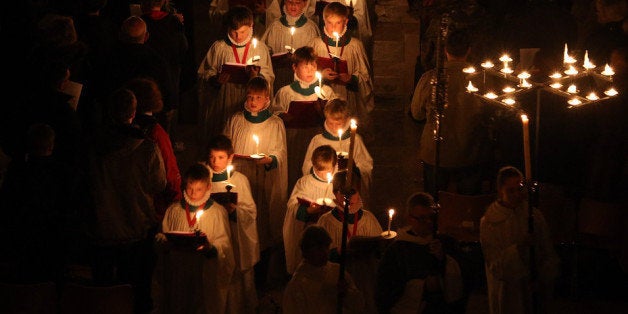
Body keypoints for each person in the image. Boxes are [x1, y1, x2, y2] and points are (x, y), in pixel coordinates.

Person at [87, 88, 166, 314]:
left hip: (101, 230)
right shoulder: (147, 149)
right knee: (137, 292)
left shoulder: (93, 147)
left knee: (103, 293)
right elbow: (158, 185)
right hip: (136, 229)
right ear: (134, 113)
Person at [409, 29, 490, 197]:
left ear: (445, 50)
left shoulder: (430, 78)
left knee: (434, 202)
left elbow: (416, 113)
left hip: (435, 152)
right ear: (469, 50)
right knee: (467, 207)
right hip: (470, 153)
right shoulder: (482, 80)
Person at [223, 76, 287, 284]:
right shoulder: (236, 120)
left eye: (257, 97)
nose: (252, 101)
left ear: (267, 98)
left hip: (262, 182)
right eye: (250, 97)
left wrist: (270, 160)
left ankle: (260, 277)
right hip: (240, 179)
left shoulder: (275, 123)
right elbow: (225, 146)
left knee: (261, 225)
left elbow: (280, 152)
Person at [480, 166, 560, 314]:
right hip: (507, 291)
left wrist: (543, 276)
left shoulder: (534, 215)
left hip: (534, 286)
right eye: (511, 190)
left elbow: (547, 250)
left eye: (520, 189)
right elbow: (494, 263)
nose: (517, 194)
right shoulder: (490, 222)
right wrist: (521, 247)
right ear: (500, 191)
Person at [158, 163, 235, 314]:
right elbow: (163, 233)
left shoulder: (217, 212)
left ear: (208, 187)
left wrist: (211, 249)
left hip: (205, 272)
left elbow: (224, 244)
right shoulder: (174, 210)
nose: (193, 194)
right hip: (179, 271)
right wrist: (162, 241)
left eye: (199, 189)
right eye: (190, 188)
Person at [376, 192, 468, 314]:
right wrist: (422, 287)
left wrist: (443, 259)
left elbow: (465, 278)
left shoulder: (446, 243)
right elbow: (386, 289)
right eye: (422, 218)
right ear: (410, 218)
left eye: (431, 217)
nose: (429, 222)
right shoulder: (397, 250)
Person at [198, 5, 275, 139]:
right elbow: (205, 72)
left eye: (243, 32)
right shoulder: (220, 47)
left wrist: (257, 77)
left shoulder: (260, 48)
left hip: (249, 98)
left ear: (251, 26)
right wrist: (215, 80)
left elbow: (269, 75)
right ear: (228, 28)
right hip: (224, 98)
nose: (238, 36)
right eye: (234, 32)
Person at [204, 134, 260, 314]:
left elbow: (250, 211)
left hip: (236, 236)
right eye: (212, 157)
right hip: (213, 234)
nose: (215, 161)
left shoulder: (239, 180)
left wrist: (235, 211)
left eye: (220, 157)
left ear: (230, 157)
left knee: (238, 281)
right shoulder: (203, 177)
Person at [316, 169, 382, 314]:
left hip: (365, 278)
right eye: (344, 193)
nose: (349, 198)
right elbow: (317, 256)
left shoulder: (369, 219)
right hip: (338, 280)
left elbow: (380, 252)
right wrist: (336, 253)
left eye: (353, 192)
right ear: (334, 193)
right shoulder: (326, 221)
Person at [271, 46, 336, 190]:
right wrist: (282, 116)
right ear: (294, 67)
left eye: (313, 65)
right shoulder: (285, 92)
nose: (310, 70)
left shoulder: (326, 91)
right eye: (305, 66)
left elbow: (336, 117)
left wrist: (322, 112)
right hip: (293, 139)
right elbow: (274, 113)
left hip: (316, 136)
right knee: (294, 172)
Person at [308, 2, 374, 127]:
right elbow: (305, 74)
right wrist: (321, 75)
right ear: (323, 21)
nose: (333, 27)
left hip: (348, 97)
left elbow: (365, 77)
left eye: (338, 23)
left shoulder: (355, 46)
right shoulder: (315, 44)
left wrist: (352, 78)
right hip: (322, 99)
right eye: (329, 23)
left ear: (346, 22)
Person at [125, 77, 182, 220]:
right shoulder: (156, 133)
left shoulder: (123, 128)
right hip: (152, 207)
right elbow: (169, 171)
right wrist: (176, 201)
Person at [302, 98, 372, 207]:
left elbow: (366, 166)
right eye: (330, 123)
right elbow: (307, 166)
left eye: (338, 124)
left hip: (343, 190)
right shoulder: (318, 140)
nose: (334, 127)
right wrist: (321, 169)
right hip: (322, 188)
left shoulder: (355, 140)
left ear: (346, 120)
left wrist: (352, 170)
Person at [282, 225, 365, 314]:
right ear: (306, 250)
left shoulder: (336, 271)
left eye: (326, 246)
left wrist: (347, 293)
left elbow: (358, 306)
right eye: (319, 248)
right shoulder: (297, 286)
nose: (325, 252)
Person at [284, 144, 337, 275]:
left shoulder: (340, 182)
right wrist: (307, 211)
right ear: (313, 165)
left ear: (335, 166)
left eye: (328, 171)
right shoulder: (304, 182)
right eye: (320, 171)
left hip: (331, 230)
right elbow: (292, 206)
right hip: (308, 229)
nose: (325, 175)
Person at [141, 0, 189, 138]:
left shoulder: (141, 22)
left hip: (147, 74)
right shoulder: (173, 22)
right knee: (166, 115)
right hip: (169, 74)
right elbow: (183, 48)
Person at [261, 0, 321, 93]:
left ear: (304, 4)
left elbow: (315, 55)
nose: (293, 6)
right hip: (280, 74)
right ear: (285, 2)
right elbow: (265, 51)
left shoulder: (310, 28)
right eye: (290, 2)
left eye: (297, 3)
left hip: (303, 78)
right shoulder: (275, 26)